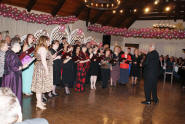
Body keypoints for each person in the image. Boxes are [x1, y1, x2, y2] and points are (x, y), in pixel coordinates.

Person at [2, 37, 28, 104]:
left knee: (7, 95)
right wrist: (23, 66)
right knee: (13, 93)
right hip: (12, 77)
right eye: (20, 45)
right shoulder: (12, 55)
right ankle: (13, 108)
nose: (20, 47)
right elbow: (15, 68)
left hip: (8, 76)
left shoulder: (9, 52)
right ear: (16, 46)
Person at [31, 36, 53, 110]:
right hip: (41, 68)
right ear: (44, 41)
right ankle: (38, 103)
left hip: (39, 67)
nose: (49, 42)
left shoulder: (40, 47)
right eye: (48, 41)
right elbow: (43, 60)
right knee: (39, 86)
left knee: (40, 85)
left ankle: (40, 102)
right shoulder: (43, 48)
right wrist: (47, 70)